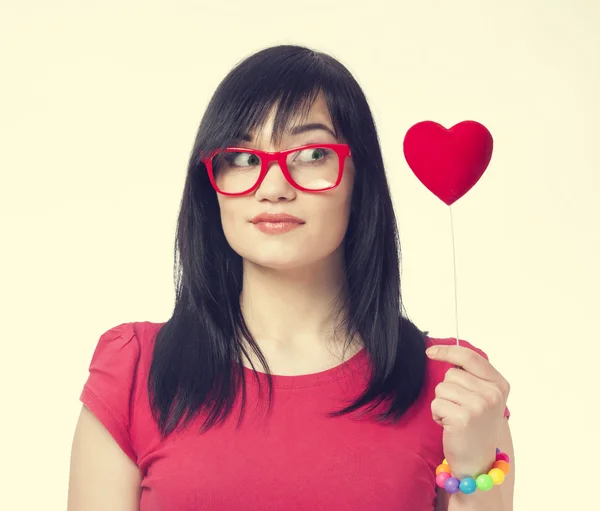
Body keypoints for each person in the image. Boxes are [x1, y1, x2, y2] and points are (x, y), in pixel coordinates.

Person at [67, 45, 514, 511]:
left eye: (313, 153)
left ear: (359, 178)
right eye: (242, 157)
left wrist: (474, 467)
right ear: (210, 180)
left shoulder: (454, 387)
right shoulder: (135, 370)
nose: (273, 187)